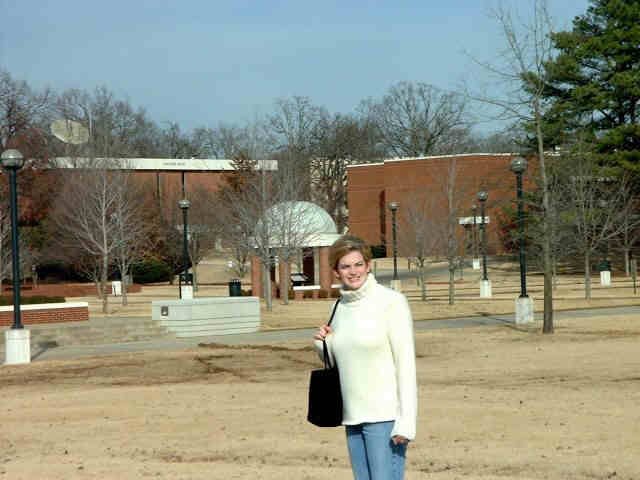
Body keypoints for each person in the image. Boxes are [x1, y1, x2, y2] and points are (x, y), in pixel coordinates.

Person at [313, 235, 417, 480]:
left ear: (368, 265)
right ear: (336, 271)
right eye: (345, 266)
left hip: (384, 418)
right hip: (352, 417)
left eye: (358, 264)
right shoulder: (338, 307)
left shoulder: (391, 303)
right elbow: (341, 362)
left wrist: (407, 422)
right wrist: (322, 345)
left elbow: (406, 366)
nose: (353, 271)